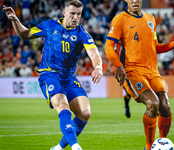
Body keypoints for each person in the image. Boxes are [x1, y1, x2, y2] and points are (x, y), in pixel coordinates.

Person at [3, 0, 103, 150]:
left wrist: (99, 67)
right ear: (64, 13)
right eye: (72, 13)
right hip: (50, 74)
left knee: (85, 113)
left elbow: (94, 53)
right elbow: (25, 34)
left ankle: (59, 147)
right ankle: (75, 146)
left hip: (69, 78)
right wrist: (15, 20)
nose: (75, 17)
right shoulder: (50, 26)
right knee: (63, 106)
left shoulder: (82, 34)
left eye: (78, 14)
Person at [104, 0, 174, 150]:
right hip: (132, 71)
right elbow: (109, 46)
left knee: (165, 106)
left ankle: (162, 145)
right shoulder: (120, 19)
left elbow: (154, 47)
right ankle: (149, 148)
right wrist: (118, 66)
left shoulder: (150, 19)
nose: (135, 1)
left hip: (152, 71)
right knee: (153, 103)